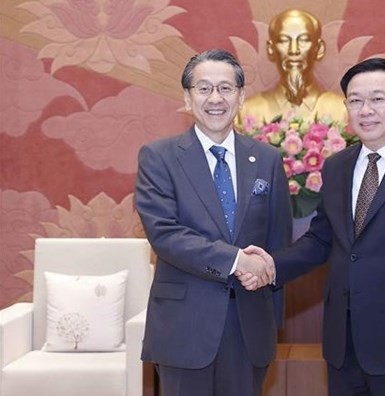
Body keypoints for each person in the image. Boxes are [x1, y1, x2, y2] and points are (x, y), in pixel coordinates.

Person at [242, 58, 385, 395]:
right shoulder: (337, 166)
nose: (366, 110)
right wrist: (272, 265)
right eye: (356, 100)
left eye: (378, 99)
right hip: (343, 345)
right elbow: (321, 240)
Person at [135, 49, 292, 396]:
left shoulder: (266, 159)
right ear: (187, 98)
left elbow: (277, 243)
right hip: (184, 328)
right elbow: (164, 234)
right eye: (203, 88)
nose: (215, 98)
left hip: (250, 329)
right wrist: (236, 260)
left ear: (241, 96)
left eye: (225, 88)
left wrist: (272, 324)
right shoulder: (159, 157)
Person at [237, 9, 347, 126]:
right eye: (284, 40)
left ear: (319, 49)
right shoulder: (247, 112)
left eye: (304, 40)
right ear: (271, 49)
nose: (294, 50)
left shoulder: (343, 111)